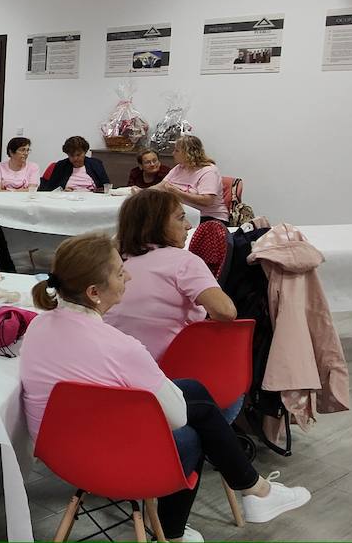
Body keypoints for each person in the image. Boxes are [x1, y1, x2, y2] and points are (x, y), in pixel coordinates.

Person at [19, 233, 311, 541]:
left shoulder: (39, 325)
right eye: (120, 273)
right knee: (195, 427)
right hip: (112, 461)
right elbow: (177, 419)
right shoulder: (121, 348)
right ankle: (182, 529)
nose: (129, 275)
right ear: (94, 292)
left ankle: (256, 491)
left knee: (192, 390)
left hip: (60, 454)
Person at [105, 188, 237, 360]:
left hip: (107, 364)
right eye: (181, 218)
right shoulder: (184, 262)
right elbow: (225, 311)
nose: (189, 225)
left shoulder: (113, 262)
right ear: (156, 224)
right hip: (162, 369)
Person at [159, 135, 228, 224]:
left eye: (177, 150)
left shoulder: (209, 171)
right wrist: (142, 192)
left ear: (187, 153)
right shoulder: (179, 168)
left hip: (209, 218)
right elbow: (161, 186)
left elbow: (207, 200)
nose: (173, 153)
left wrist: (177, 192)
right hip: (185, 214)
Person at [40, 135, 109, 192]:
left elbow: (106, 187)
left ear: (85, 152)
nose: (75, 158)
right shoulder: (61, 166)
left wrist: (94, 191)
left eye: (78, 155)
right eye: (71, 155)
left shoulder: (96, 164)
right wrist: (62, 191)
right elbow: (49, 189)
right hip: (66, 201)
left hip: (92, 200)